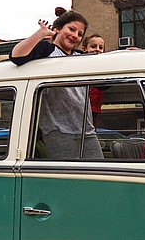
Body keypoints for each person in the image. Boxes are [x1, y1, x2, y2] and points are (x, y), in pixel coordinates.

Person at [11, 9, 100, 159]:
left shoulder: (81, 58)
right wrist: (40, 34)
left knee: (98, 174)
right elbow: (16, 56)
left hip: (87, 130)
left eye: (79, 34)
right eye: (71, 29)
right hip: (58, 131)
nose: (75, 36)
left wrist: (127, 54)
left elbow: (104, 78)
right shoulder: (48, 50)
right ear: (58, 29)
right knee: (67, 177)